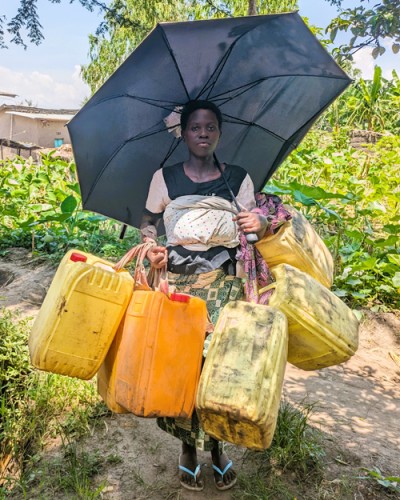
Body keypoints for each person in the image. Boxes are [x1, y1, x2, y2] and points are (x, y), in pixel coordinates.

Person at [140, 100, 268, 492]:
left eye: (210, 127)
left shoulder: (238, 179)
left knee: (221, 370)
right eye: (195, 127)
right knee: (183, 369)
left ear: (219, 132)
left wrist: (258, 222)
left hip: (226, 286)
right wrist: (151, 244)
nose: (202, 133)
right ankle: (188, 451)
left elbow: (259, 227)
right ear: (183, 132)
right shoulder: (165, 178)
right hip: (179, 288)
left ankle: (216, 450)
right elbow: (149, 220)